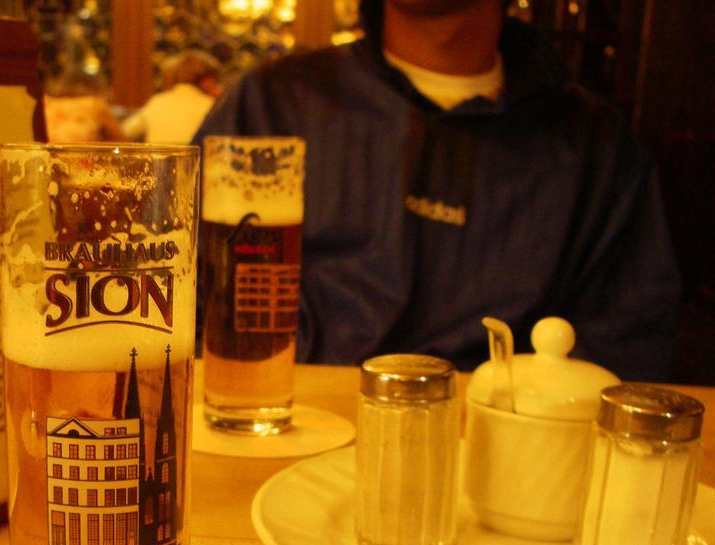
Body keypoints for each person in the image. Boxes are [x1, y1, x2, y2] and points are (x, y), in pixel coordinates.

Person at [193, 0, 681, 382]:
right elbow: (181, 298)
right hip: (288, 436)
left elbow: (627, 350)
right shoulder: (271, 107)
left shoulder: (596, 150)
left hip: (504, 465)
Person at [123, 51, 223, 143]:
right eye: (215, 81)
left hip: (156, 161)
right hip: (195, 160)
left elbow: (127, 131)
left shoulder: (158, 102)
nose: (219, 86)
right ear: (207, 81)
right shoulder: (211, 105)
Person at [43, 70, 127, 143]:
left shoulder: (48, 103)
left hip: (45, 158)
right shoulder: (94, 104)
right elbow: (123, 143)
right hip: (79, 159)